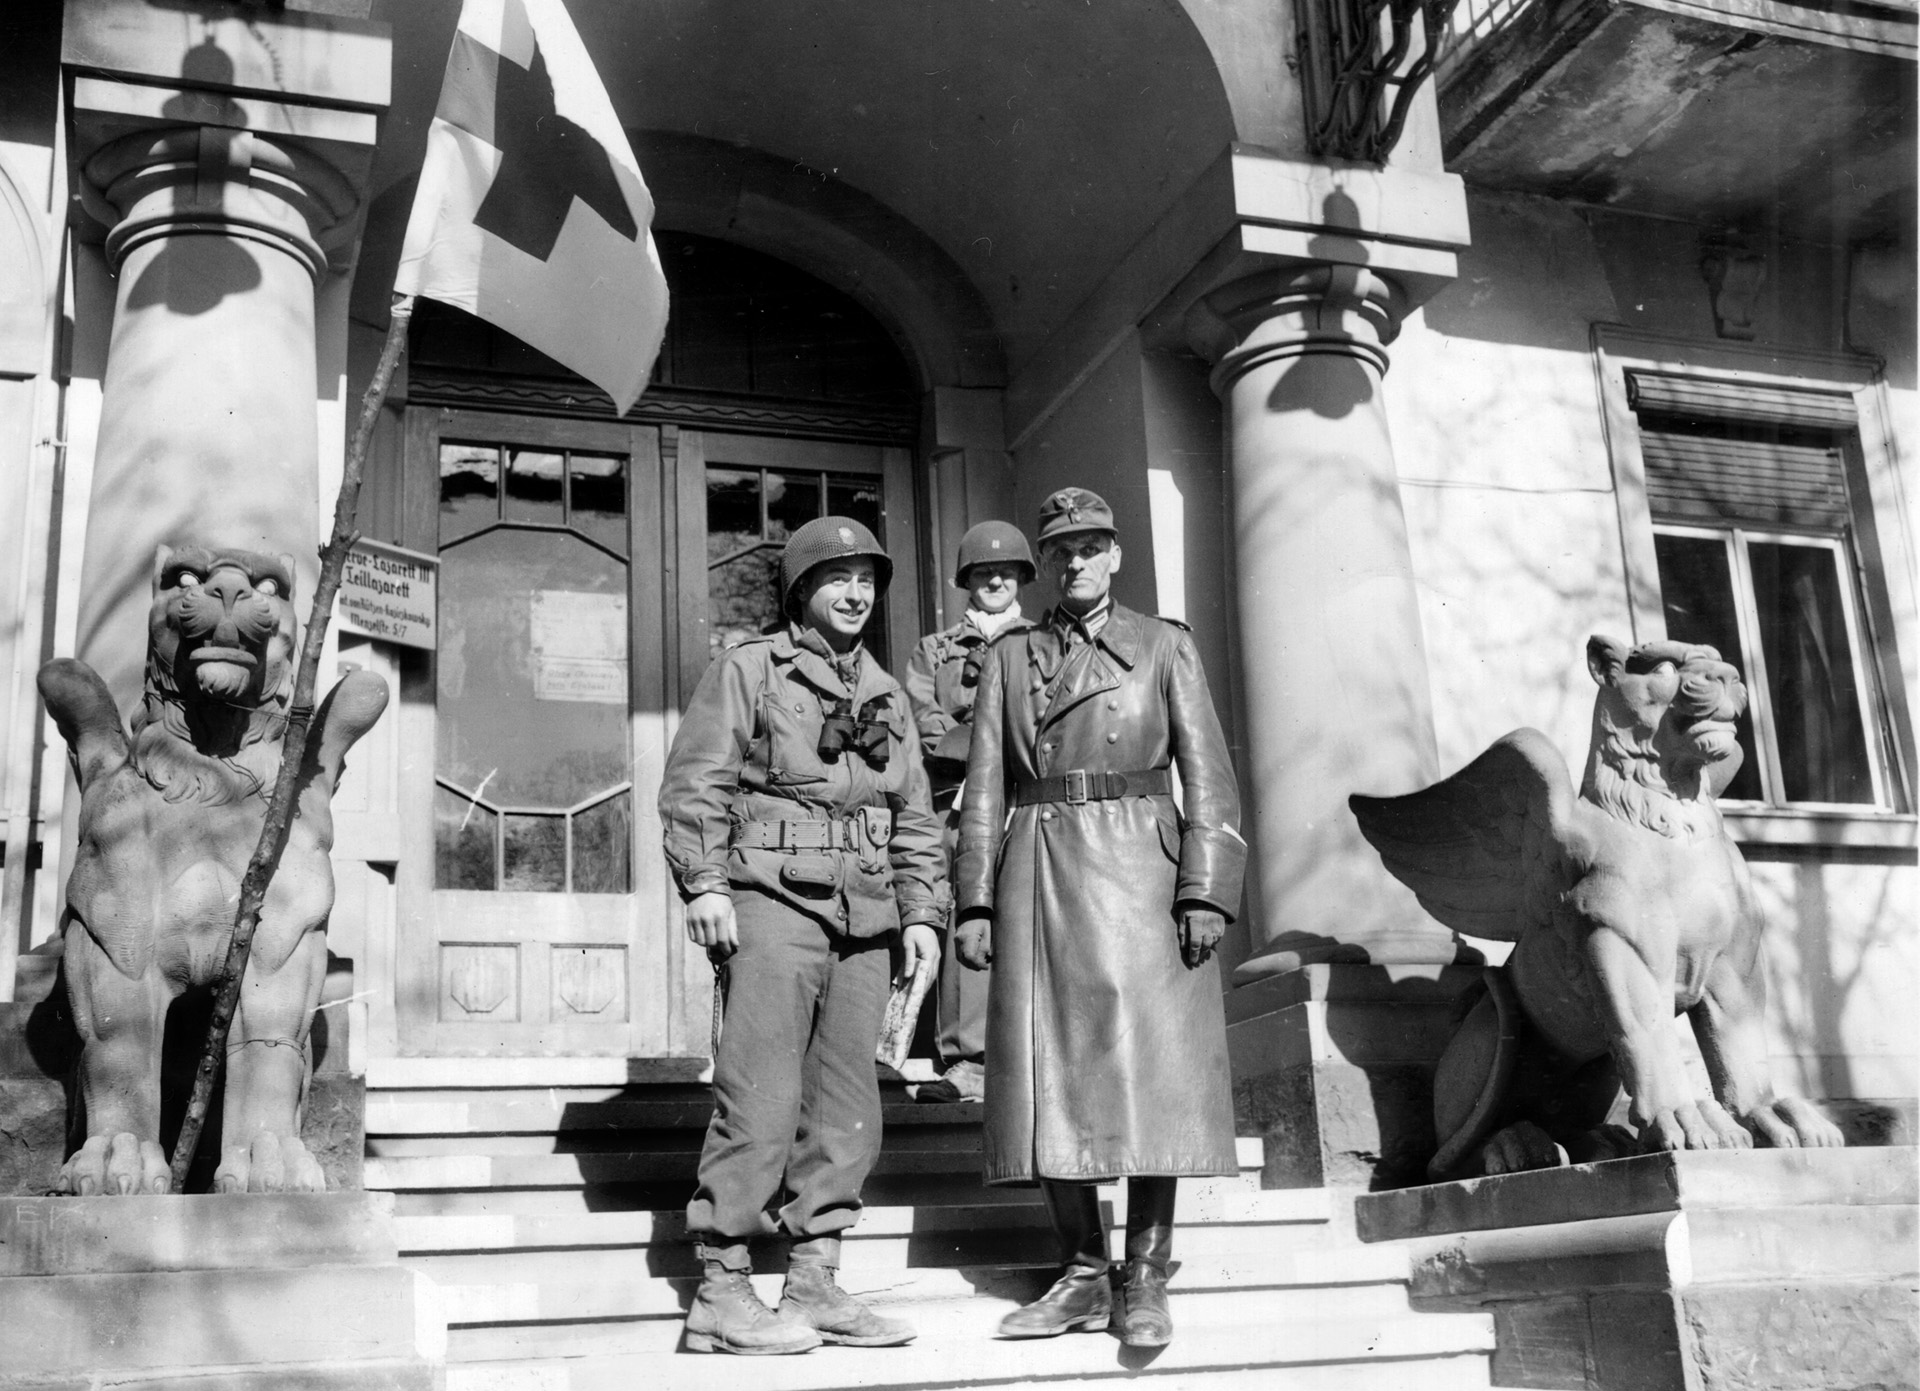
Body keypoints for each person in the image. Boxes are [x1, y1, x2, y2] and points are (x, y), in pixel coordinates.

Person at [954, 487, 1245, 1349]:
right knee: (1048, 1071)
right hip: (1039, 865)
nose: (1075, 561)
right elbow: (982, 792)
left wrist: (1206, 888)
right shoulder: (1011, 658)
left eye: (1090, 546)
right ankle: (1083, 1269)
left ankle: (1146, 1274)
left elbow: (1211, 777)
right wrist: (972, 897)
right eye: (1060, 550)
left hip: (1143, 869)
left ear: (1116, 554)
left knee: (1152, 1068)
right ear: (1043, 565)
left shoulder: (1163, 646)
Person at [659, 516, 947, 1356]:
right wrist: (704, 882)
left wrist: (923, 913)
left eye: (867, 578)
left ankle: (815, 1278)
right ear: (800, 590)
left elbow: (915, 817)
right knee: (761, 1095)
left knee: (849, 1106)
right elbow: (696, 780)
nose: (857, 592)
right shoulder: (749, 669)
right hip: (772, 902)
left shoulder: (889, 692)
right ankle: (721, 1287)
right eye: (838, 578)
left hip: (867, 917)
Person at [903, 520, 1036, 1104]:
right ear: (966, 581)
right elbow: (923, 721)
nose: (995, 580)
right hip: (960, 802)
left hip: (1033, 794)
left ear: (1023, 579)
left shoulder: (1048, 642)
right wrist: (987, 744)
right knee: (968, 911)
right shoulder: (934, 651)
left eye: (1006, 571)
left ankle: (1041, 1056)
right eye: (983, 572)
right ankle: (968, 1060)